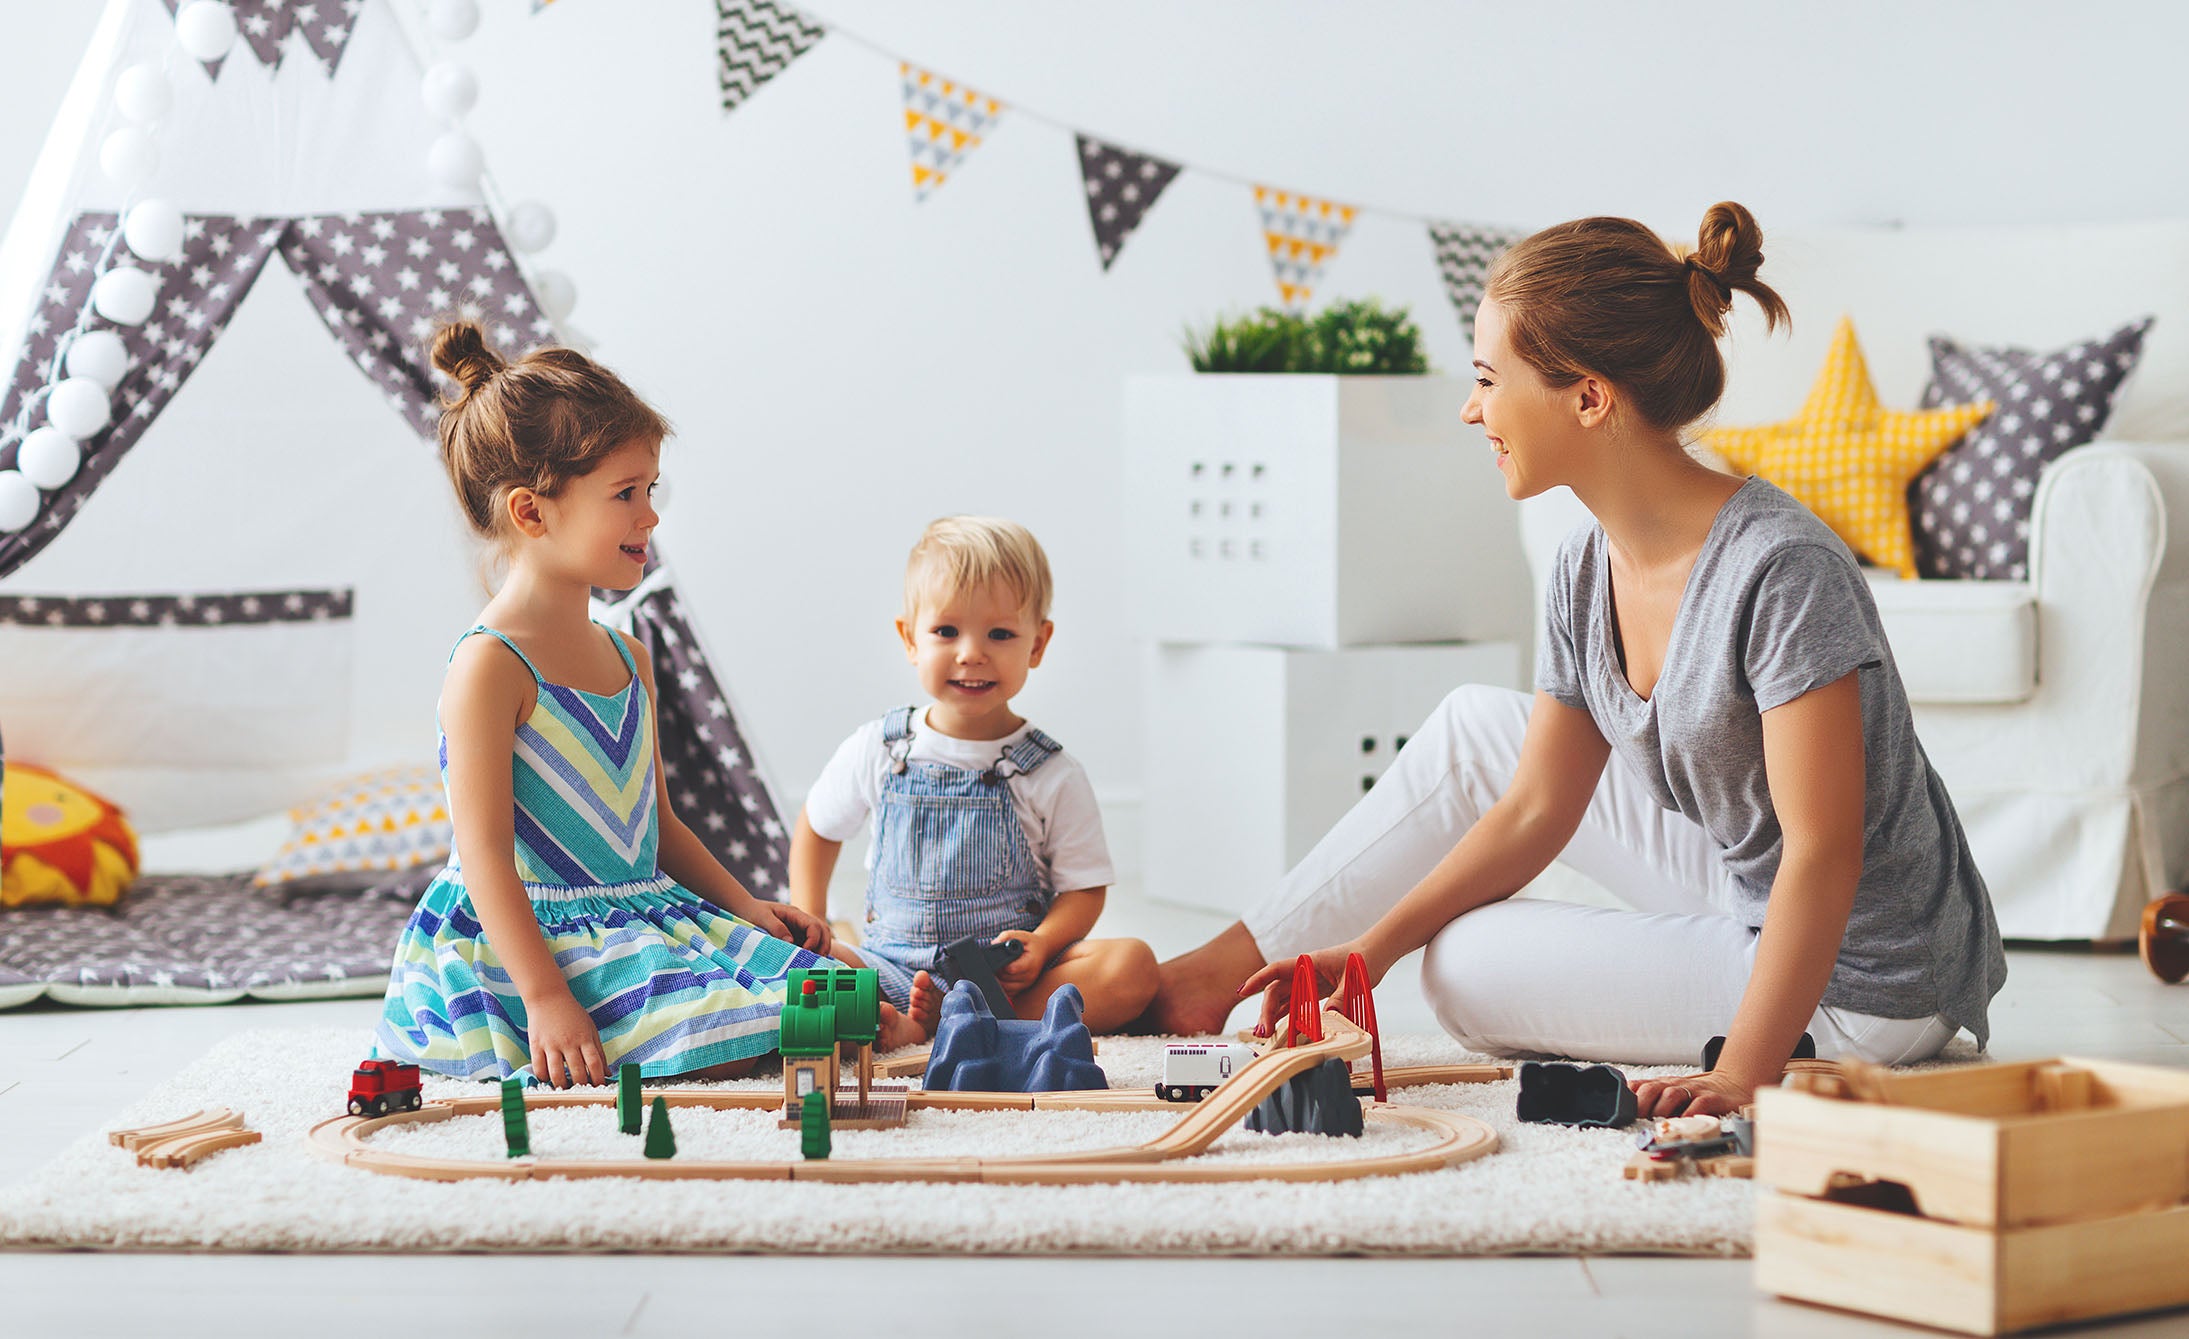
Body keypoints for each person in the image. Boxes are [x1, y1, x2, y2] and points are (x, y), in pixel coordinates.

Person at [1149, 203, 2007, 1117]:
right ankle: (1228, 965)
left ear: (1589, 397)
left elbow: (1823, 852)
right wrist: (1368, 950)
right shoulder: (1581, 565)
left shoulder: (1782, 570)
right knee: (1476, 725)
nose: (1470, 407)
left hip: (1867, 977)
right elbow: (1535, 807)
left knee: (1464, 968)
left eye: (1487, 378)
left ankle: (1764, 1019)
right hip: (1748, 880)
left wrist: (1738, 1074)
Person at [377, 322, 921, 1088]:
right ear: (532, 512)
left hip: (640, 916)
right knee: (726, 1032)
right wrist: (544, 996)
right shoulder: (489, 666)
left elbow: (656, 823)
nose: (650, 517)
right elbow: (486, 856)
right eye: (625, 494)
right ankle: (729, 1027)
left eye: (650, 490)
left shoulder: (628, 654)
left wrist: (743, 908)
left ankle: (797, 1016)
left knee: (848, 989)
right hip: (532, 941)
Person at [789, 516, 1157, 1033]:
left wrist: (1045, 943)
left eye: (1000, 633)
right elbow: (817, 827)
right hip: (890, 968)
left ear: (1037, 644)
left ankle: (962, 1027)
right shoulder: (880, 747)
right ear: (910, 638)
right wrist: (813, 923)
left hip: (1003, 981)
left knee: (1132, 966)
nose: (970, 653)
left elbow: (1084, 889)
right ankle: (914, 1022)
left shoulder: (1051, 773)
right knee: (807, 980)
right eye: (946, 631)